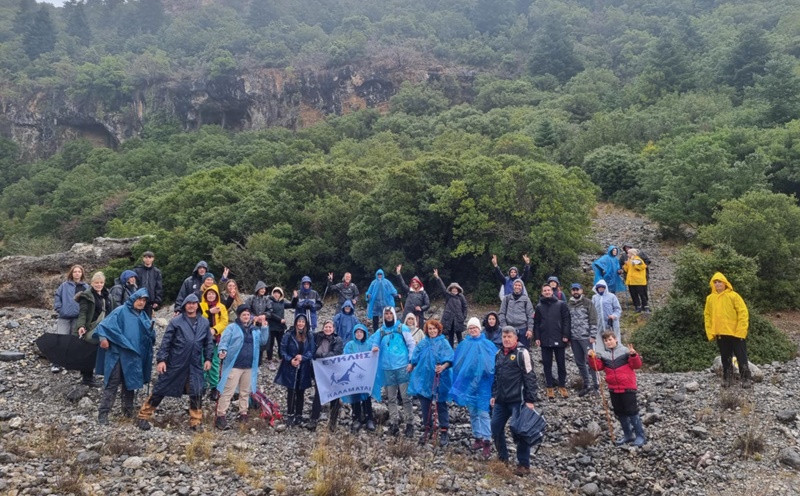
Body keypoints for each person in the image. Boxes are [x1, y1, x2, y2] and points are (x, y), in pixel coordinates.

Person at [136, 294, 214, 431]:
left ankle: (196, 422)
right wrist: (162, 360)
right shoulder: (176, 321)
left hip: (195, 363)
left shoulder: (204, 322)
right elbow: (166, 342)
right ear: (184, 305)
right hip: (175, 361)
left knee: (196, 391)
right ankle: (143, 416)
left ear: (198, 305)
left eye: (194, 303)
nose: (191, 305)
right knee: (161, 388)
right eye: (188, 303)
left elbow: (208, 343)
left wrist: (208, 358)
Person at [95, 288, 154, 425]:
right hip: (118, 354)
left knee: (130, 384)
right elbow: (103, 326)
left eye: (144, 300)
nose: (141, 303)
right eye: (139, 299)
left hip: (133, 356)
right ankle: (103, 414)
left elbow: (149, 336)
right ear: (133, 299)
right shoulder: (120, 311)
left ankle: (127, 412)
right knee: (112, 383)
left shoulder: (143, 316)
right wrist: (103, 339)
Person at [491, 326, 539, 476]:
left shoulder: (522, 353)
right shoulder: (498, 354)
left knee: (520, 431)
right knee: (495, 427)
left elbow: (530, 376)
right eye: (504, 337)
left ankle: (523, 464)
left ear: (515, 338)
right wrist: (494, 395)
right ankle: (502, 458)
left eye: (509, 337)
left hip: (518, 400)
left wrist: (530, 400)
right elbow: (496, 377)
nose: (506, 339)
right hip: (501, 400)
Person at [588, 332, 646, 447]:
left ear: (616, 339)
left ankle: (640, 436)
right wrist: (591, 357)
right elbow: (597, 367)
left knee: (632, 412)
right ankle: (628, 435)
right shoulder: (604, 355)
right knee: (620, 412)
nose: (608, 342)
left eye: (610, 339)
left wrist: (634, 355)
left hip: (628, 387)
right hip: (613, 388)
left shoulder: (626, 351)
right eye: (606, 340)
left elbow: (637, 365)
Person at [449, 317, 496, 458]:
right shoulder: (464, 344)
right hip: (469, 383)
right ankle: (477, 437)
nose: (472, 330)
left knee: (483, 412)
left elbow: (493, 364)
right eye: (470, 328)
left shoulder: (487, 344)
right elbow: (457, 362)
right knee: (473, 412)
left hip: (483, 384)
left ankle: (487, 440)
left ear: (479, 329)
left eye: (475, 328)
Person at [369, 306, 416, 438]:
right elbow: (374, 343)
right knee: (391, 398)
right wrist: (374, 348)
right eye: (386, 314)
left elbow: (411, 345)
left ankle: (410, 424)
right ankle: (394, 423)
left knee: (406, 398)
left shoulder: (402, 328)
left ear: (394, 314)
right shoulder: (381, 331)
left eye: (390, 313)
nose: (388, 316)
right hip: (387, 368)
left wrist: (411, 361)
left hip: (402, 367)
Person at [215, 305, 264, 429]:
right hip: (234, 365)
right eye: (244, 314)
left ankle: (243, 413)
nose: (246, 317)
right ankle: (220, 415)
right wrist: (222, 350)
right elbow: (224, 341)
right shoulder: (232, 328)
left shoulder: (254, 330)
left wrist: (265, 327)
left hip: (249, 366)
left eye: (248, 314)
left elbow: (263, 341)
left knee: (245, 392)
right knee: (228, 391)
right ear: (239, 315)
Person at [408, 319, 454, 446]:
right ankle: (427, 428)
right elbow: (415, 356)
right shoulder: (423, 343)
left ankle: (444, 430)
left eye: (434, 328)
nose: (432, 331)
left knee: (440, 404)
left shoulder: (443, 342)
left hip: (440, 378)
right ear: (426, 330)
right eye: (430, 329)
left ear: (438, 329)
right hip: (424, 378)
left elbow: (450, 358)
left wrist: (443, 367)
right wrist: (411, 364)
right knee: (425, 404)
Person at [704, 272, 751, 389]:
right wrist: (711, 332)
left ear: (725, 283)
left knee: (741, 356)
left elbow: (743, 313)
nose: (717, 284)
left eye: (719, 281)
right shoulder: (710, 299)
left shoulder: (734, 296)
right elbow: (707, 316)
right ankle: (727, 378)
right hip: (721, 333)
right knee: (725, 357)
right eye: (715, 282)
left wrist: (741, 330)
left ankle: (746, 378)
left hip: (736, 333)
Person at [275, 314, 315, 426]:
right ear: (296, 322)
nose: (301, 323)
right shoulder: (289, 334)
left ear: (305, 323)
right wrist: (290, 360)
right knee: (291, 391)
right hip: (290, 367)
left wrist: (303, 357)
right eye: (299, 321)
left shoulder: (310, 335)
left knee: (301, 392)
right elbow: (282, 350)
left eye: (303, 322)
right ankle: (290, 414)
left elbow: (312, 350)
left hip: (304, 367)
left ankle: (299, 415)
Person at [73, 271, 112, 387]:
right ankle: (87, 378)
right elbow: (83, 313)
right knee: (89, 351)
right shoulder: (87, 296)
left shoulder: (107, 295)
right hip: (91, 327)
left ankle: (99, 375)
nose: (99, 285)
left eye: (101, 282)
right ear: (92, 283)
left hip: (104, 327)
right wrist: (81, 326)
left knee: (100, 351)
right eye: (96, 283)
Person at [534, 284, 571, 401]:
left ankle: (562, 385)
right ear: (542, 292)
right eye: (544, 290)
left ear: (552, 291)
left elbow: (567, 320)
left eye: (548, 290)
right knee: (546, 363)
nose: (547, 292)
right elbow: (536, 323)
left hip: (559, 338)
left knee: (561, 363)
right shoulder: (539, 306)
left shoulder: (561, 304)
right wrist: (537, 337)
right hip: (545, 339)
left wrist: (566, 335)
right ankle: (549, 386)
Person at [309, 320, 345, 431]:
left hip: (333, 371)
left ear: (333, 329)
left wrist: (321, 355)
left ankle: (333, 422)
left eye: (330, 327)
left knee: (334, 395)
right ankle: (313, 419)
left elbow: (336, 353)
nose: (327, 329)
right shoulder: (317, 336)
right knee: (318, 395)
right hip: (319, 370)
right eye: (326, 327)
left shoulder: (338, 340)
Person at [53, 264, 89, 373]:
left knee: (75, 340)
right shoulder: (64, 285)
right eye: (75, 271)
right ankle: (56, 363)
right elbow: (57, 296)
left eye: (79, 271)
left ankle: (71, 363)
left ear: (82, 273)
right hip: (64, 317)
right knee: (61, 339)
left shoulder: (86, 287)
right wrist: (59, 309)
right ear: (71, 273)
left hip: (78, 318)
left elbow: (88, 301)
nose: (77, 273)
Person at [343, 323, 377, 433]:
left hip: (366, 375)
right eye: (357, 332)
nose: (359, 334)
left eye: (361, 332)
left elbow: (374, 355)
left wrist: (375, 351)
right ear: (354, 333)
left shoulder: (369, 344)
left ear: (365, 333)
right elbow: (345, 357)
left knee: (367, 397)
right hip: (353, 376)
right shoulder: (350, 345)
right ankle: (356, 418)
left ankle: (369, 418)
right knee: (355, 397)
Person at [567, 283, 599, 397]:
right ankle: (587, 384)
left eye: (577, 289)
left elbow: (593, 319)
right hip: (574, 338)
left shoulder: (587, 302)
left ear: (581, 290)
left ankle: (596, 385)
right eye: (573, 290)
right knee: (579, 362)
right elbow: (567, 321)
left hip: (586, 337)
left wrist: (593, 335)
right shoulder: (569, 304)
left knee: (591, 361)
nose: (575, 292)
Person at [200, 284, 229, 399]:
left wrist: (215, 329)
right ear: (205, 295)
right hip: (202, 338)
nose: (211, 295)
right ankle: (201, 386)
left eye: (213, 293)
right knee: (202, 361)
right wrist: (209, 312)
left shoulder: (221, 307)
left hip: (216, 338)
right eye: (209, 293)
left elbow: (224, 321)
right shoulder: (201, 306)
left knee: (215, 362)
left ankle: (214, 387)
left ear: (216, 295)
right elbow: (198, 318)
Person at [433, 269, 468, 348]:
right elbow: (442, 287)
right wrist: (437, 277)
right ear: (451, 289)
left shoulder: (461, 297)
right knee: (450, 337)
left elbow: (465, 307)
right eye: (453, 288)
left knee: (460, 337)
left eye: (456, 288)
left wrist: (463, 317)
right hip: (449, 320)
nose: (454, 290)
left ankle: (461, 351)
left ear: (458, 289)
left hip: (458, 320)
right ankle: (450, 352)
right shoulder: (448, 296)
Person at [498, 279, 534, 348]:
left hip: (523, 329)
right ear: (513, 286)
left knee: (524, 351)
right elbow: (502, 313)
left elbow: (530, 315)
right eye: (516, 285)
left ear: (522, 287)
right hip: (509, 328)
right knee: (509, 350)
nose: (517, 287)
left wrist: (530, 329)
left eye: (519, 285)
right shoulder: (507, 298)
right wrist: (504, 327)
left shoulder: (526, 299)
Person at [133, 251, 163, 318]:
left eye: (150, 257)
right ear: (143, 259)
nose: (148, 259)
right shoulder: (137, 270)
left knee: (147, 321)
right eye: (146, 257)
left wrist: (157, 300)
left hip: (150, 301)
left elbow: (159, 287)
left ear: (153, 259)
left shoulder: (156, 272)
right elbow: (133, 285)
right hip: (138, 299)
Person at [623, 248, 649, 313]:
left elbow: (642, 267)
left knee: (641, 294)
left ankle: (645, 306)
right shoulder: (630, 260)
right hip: (631, 281)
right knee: (634, 294)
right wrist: (626, 264)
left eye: (628, 253)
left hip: (638, 281)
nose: (627, 254)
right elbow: (626, 270)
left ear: (632, 254)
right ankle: (637, 307)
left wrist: (633, 263)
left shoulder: (638, 259)